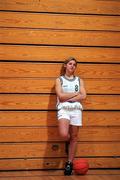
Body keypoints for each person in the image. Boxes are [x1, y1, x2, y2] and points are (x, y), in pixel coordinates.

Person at [55, 57, 86, 176]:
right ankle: (68, 142)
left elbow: (83, 96)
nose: (72, 66)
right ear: (65, 65)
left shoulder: (79, 80)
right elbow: (61, 97)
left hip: (76, 109)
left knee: (74, 136)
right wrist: (75, 94)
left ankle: (69, 163)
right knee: (64, 134)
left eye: (74, 64)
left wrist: (68, 96)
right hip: (64, 108)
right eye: (70, 63)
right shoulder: (59, 80)